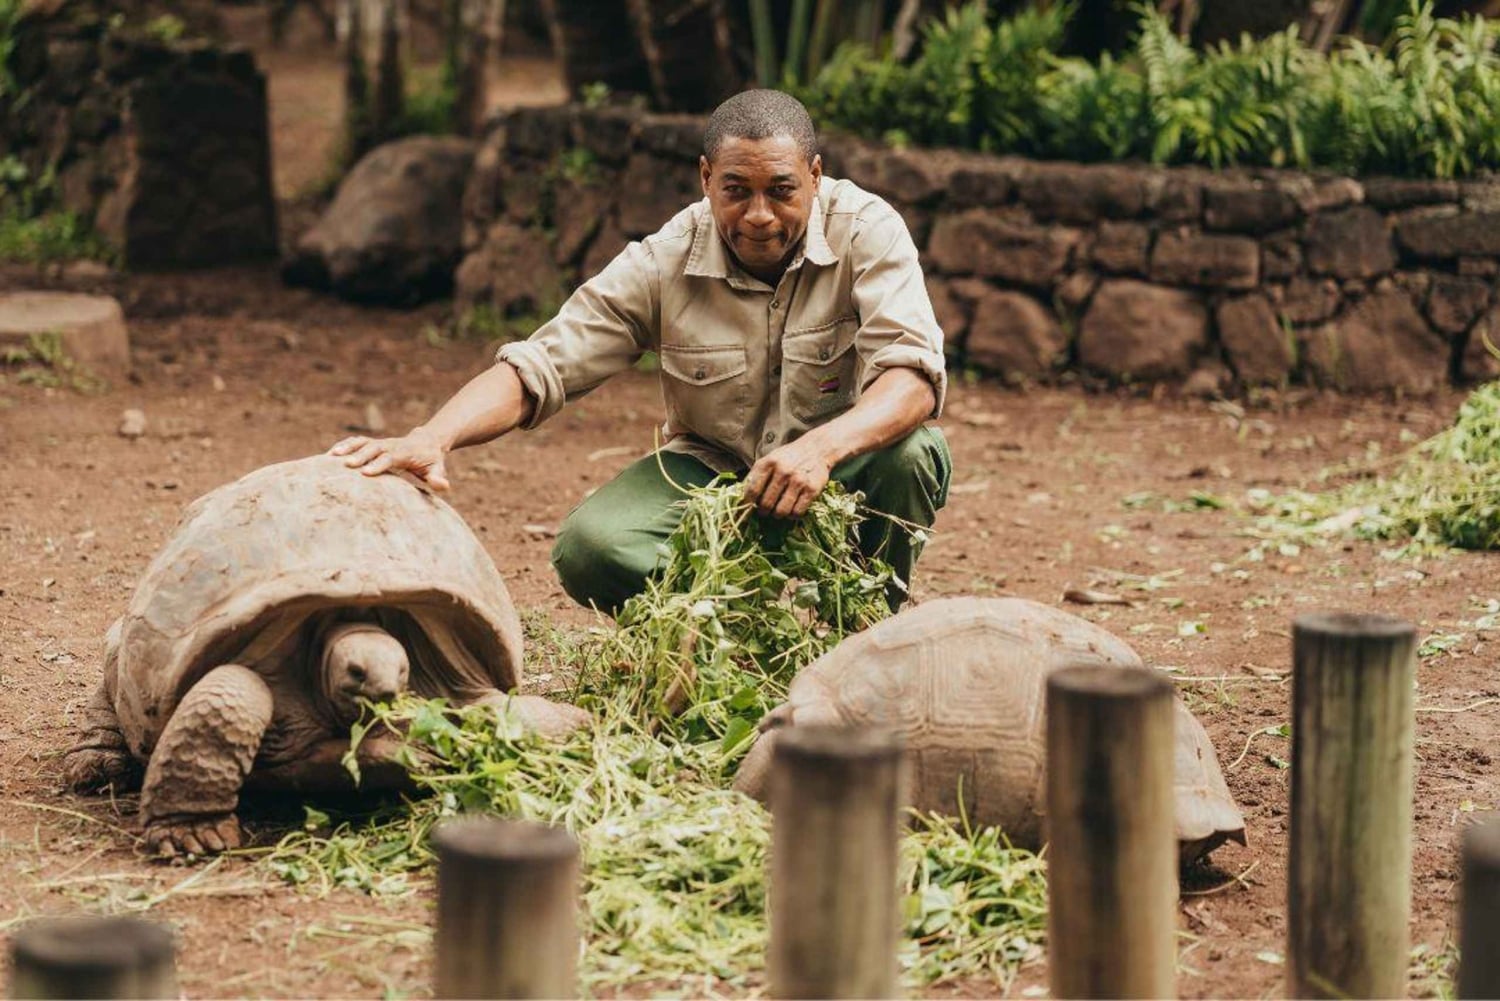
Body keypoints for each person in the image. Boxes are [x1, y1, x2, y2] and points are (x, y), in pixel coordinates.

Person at [332, 89, 951, 614]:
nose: (759, 215)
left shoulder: (869, 230)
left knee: (912, 455)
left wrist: (818, 449)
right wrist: (433, 436)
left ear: (815, 177)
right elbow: (540, 365)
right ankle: (729, 627)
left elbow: (913, 378)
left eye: (782, 190)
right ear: (706, 178)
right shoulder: (664, 258)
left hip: (838, 472)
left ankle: (862, 624)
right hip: (714, 475)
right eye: (736, 190)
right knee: (590, 548)